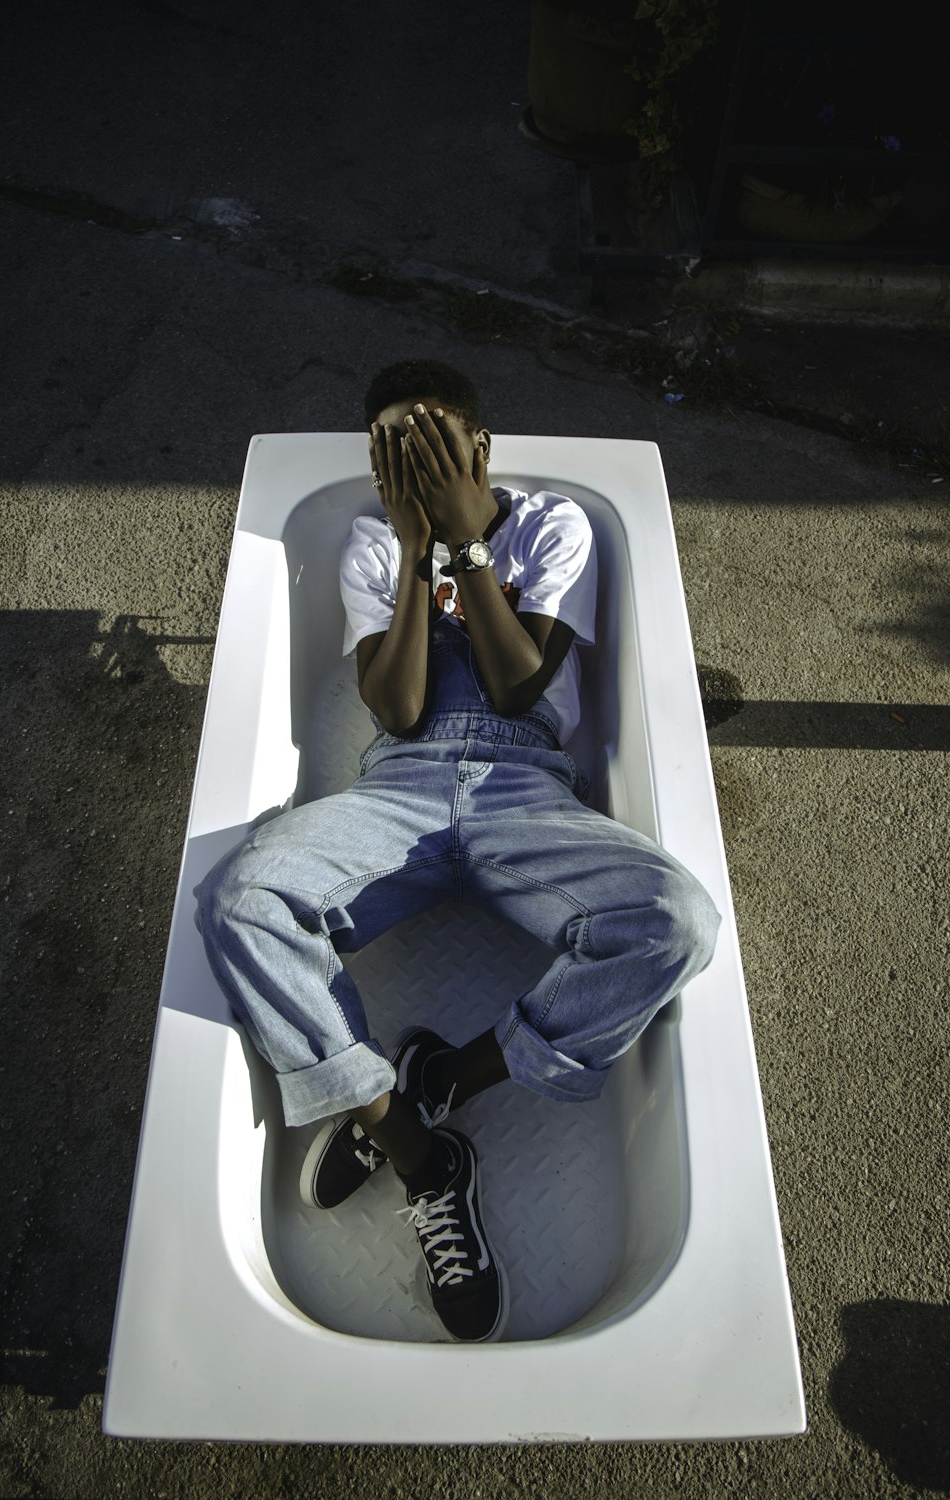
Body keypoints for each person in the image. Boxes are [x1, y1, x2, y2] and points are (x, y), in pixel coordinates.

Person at [194, 357, 721, 1344]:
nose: (415, 465)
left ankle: (448, 1079)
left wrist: (470, 545)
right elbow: (394, 706)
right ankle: (413, 1146)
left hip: (525, 786)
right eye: (393, 449)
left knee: (676, 923)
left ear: (479, 448)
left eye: (432, 442)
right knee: (241, 901)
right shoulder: (368, 542)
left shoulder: (550, 527)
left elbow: (520, 685)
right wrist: (409, 551)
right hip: (400, 786)